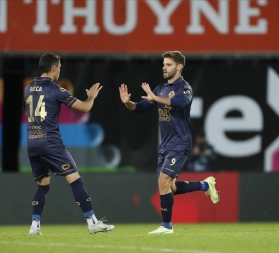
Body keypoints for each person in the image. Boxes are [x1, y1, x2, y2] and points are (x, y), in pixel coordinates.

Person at [119, 51, 219, 234]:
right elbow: (140, 108)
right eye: (163, 64)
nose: (164, 67)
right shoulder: (160, 88)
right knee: (169, 187)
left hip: (180, 141)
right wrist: (128, 103)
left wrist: (156, 99)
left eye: (168, 65)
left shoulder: (185, 87)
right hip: (164, 145)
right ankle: (205, 185)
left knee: (163, 180)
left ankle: (166, 226)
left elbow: (181, 103)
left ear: (179, 67)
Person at [24, 53, 114, 235]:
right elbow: (85, 108)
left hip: (33, 142)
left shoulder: (28, 88)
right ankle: (92, 222)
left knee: (43, 185)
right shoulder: (56, 89)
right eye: (59, 68)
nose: (60, 72)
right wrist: (91, 97)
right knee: (75, 178)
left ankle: (34, 226)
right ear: (54, 68)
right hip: (51, 143)